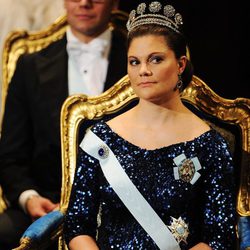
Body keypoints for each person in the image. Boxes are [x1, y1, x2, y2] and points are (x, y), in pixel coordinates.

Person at [63, 1, 237, 249]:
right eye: (134, 62)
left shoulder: (210, 145)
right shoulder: (101, 139)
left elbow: (220, 238)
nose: (143, 70)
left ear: (180, 65)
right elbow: (77, 226)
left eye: (155, 59)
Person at [0, 0, 127, 249]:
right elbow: (10, 157)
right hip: (47, 203)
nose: (84, 3)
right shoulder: (29, 66)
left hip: (122, 206)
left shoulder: (139, 63)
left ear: (115, 3)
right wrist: (30, 198)